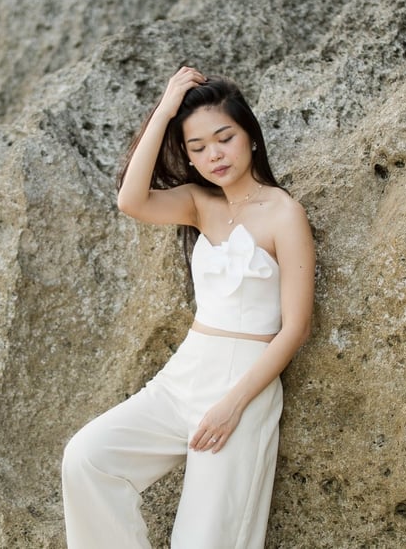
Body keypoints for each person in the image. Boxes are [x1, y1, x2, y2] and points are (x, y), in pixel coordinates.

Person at [61, 66, 315, 549]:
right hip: (182, 378)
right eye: (197, 148)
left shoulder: (285, 213)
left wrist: (233, 405)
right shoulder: (199, 203)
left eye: (224, 138)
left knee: (204, 542)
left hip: (242, 387)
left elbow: (296, 328)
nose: (213, 154)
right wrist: (165, 108)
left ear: (251, 138)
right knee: (87, 459)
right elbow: (130, 200)